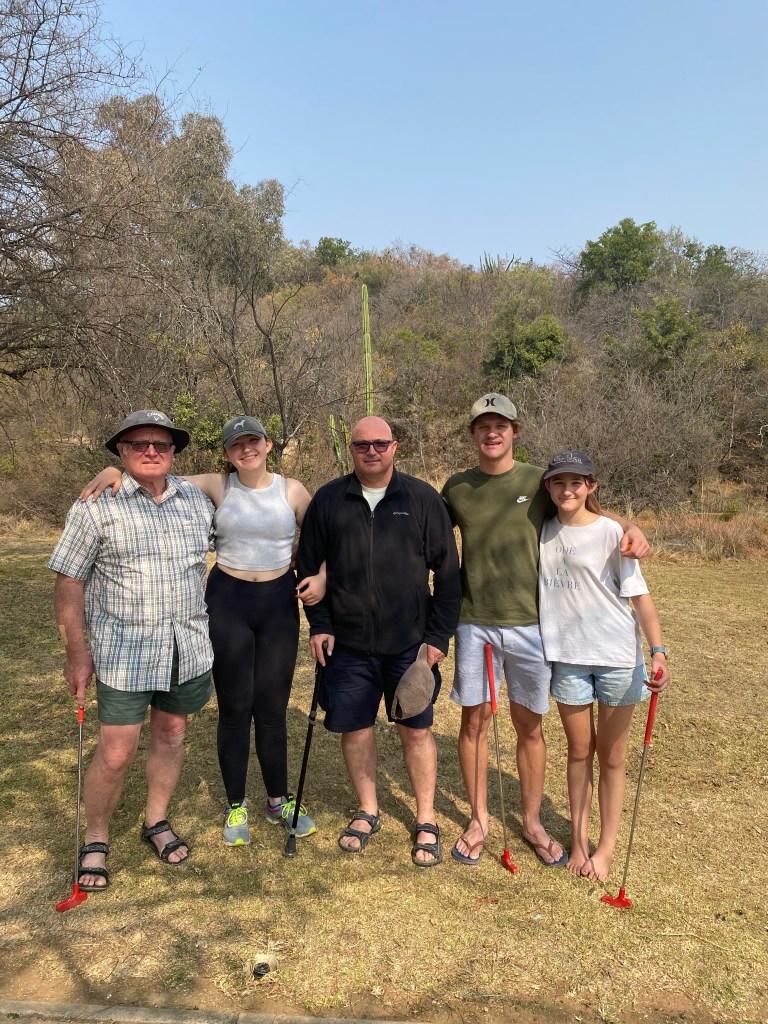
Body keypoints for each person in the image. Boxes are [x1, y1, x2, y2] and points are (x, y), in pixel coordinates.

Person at [80, 415, 323, 848]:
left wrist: (319, 572)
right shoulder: (216, 485)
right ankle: (235, 804)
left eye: (253, 441)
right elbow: (155, 477)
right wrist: (114, 470)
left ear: (268, 444)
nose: (246, 449)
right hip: (228, 602)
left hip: (278, 604)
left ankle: (278, 799)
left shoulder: (293, 490)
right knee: (235, 706)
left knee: (272, 708)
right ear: (227, 453)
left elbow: (329, 531)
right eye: (236, 444)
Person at [441, 394, 650, 867]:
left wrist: (630, 526)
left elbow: (586, 508)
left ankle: (533, 822)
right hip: (475, 623)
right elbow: (427, 532)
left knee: (529, 726)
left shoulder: (539, 481)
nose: (492, 433)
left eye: (500, 425)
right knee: (474, 723)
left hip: (532, 625)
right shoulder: (457, 487)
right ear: (472, 434)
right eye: (482, 426)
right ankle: (478, 820)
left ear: (514, 431)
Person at [50, 410, 216, 892]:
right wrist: (76, 654)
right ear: (120, 452)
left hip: (186, 646)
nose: (150, 451)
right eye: (138, 444)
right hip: (124, 653)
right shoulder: (95, 505)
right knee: (117, 750)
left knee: (172, 734)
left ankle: (155, 820)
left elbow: (249, 500)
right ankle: (96, 838)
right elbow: (69, 581)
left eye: (161, 444)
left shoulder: (195, 501)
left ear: (173, 452)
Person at [296, 416, 462, 866]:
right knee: (355, 729)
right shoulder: (330, 499)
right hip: (348, 643)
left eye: (380, 444)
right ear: (350, 449)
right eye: (362, 445)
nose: (372, 451)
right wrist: (320, 624)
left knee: (416, 730)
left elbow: (448, 574)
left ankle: (426, 818)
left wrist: (437, 638)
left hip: (411, 644)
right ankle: (368, 809)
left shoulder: (422, 499)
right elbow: (309, 568)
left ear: (395, 447)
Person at [538, 450, 670, 880]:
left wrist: (658, 651)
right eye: (559, 482)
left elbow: (641, 598)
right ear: (548, 487)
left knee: (612, 757)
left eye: (576, 482)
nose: (567, 490)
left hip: (617, 659)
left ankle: (607, 848)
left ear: (591, 486)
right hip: (567, 658)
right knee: (579, 751)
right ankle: (579, 841)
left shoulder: (613, 533)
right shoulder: (542, 527)